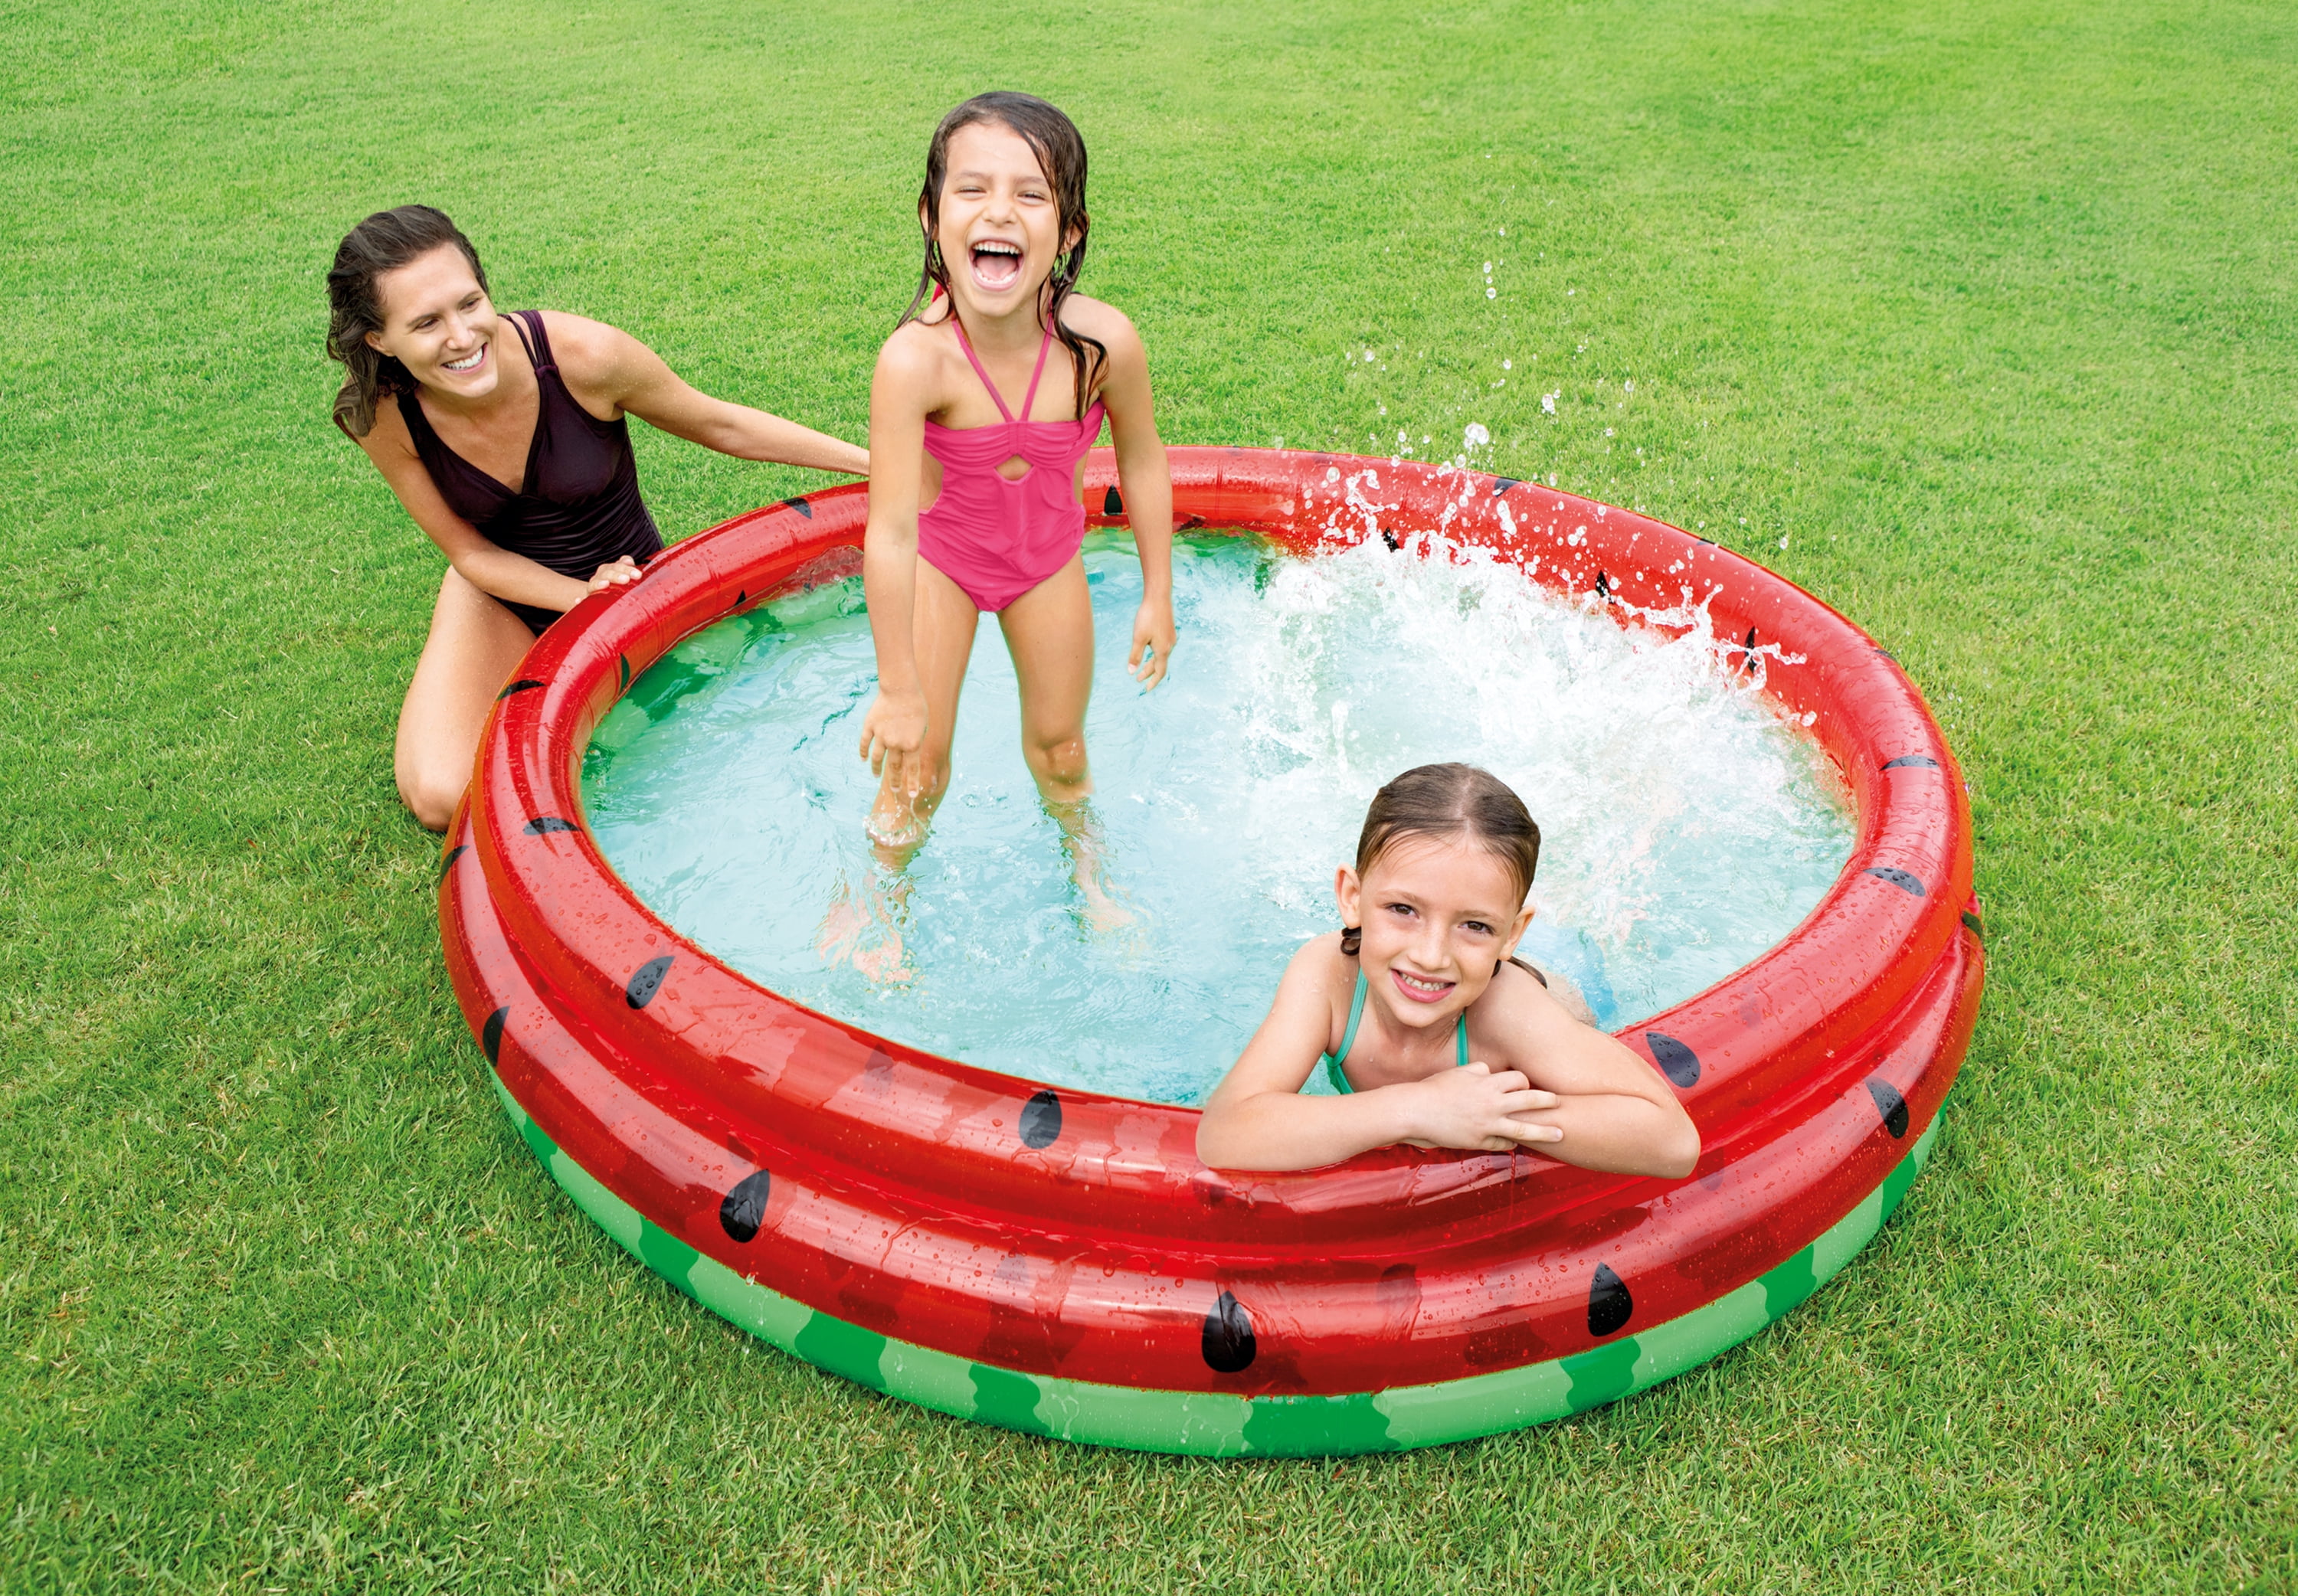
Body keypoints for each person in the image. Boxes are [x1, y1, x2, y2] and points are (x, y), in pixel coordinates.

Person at [325, 204, 868, 832]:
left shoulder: (582, 357)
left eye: (470, 303)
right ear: (379, 340)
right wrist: (579, 595)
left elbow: (720, 423)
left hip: (631, 588)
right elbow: (470, 554)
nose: (463, 336)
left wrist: (877, 463)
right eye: (426, 323)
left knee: (681, 759)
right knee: (442, 797)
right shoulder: (383, 416)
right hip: (503, 589)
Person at [853, 92, 1175, 858]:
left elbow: (1143, 458)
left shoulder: (1101, 345)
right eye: (973, 189)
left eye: (1030, 194)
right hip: (944, 565)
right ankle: (881, 902)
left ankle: (1090, 874)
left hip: (1047, 562)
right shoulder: (915, 361)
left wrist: (1157, 593)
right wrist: (897, 685)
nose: (999, 212)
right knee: (917, 766)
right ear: (932, 216)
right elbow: (892, 532)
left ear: (1067, 232)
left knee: (1061, 749)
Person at [1196, 764, 1703, 1176]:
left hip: (1559, 977)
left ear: (1510, 934)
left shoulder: (1507, 1012)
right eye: (1402, 910)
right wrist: (1418, 1109)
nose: (1431, 955)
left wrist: (1494, 1117)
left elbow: (1673, 1141)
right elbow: (1225, 1133)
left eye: (1475, 925)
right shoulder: (1329, 976)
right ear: (1352, 898)